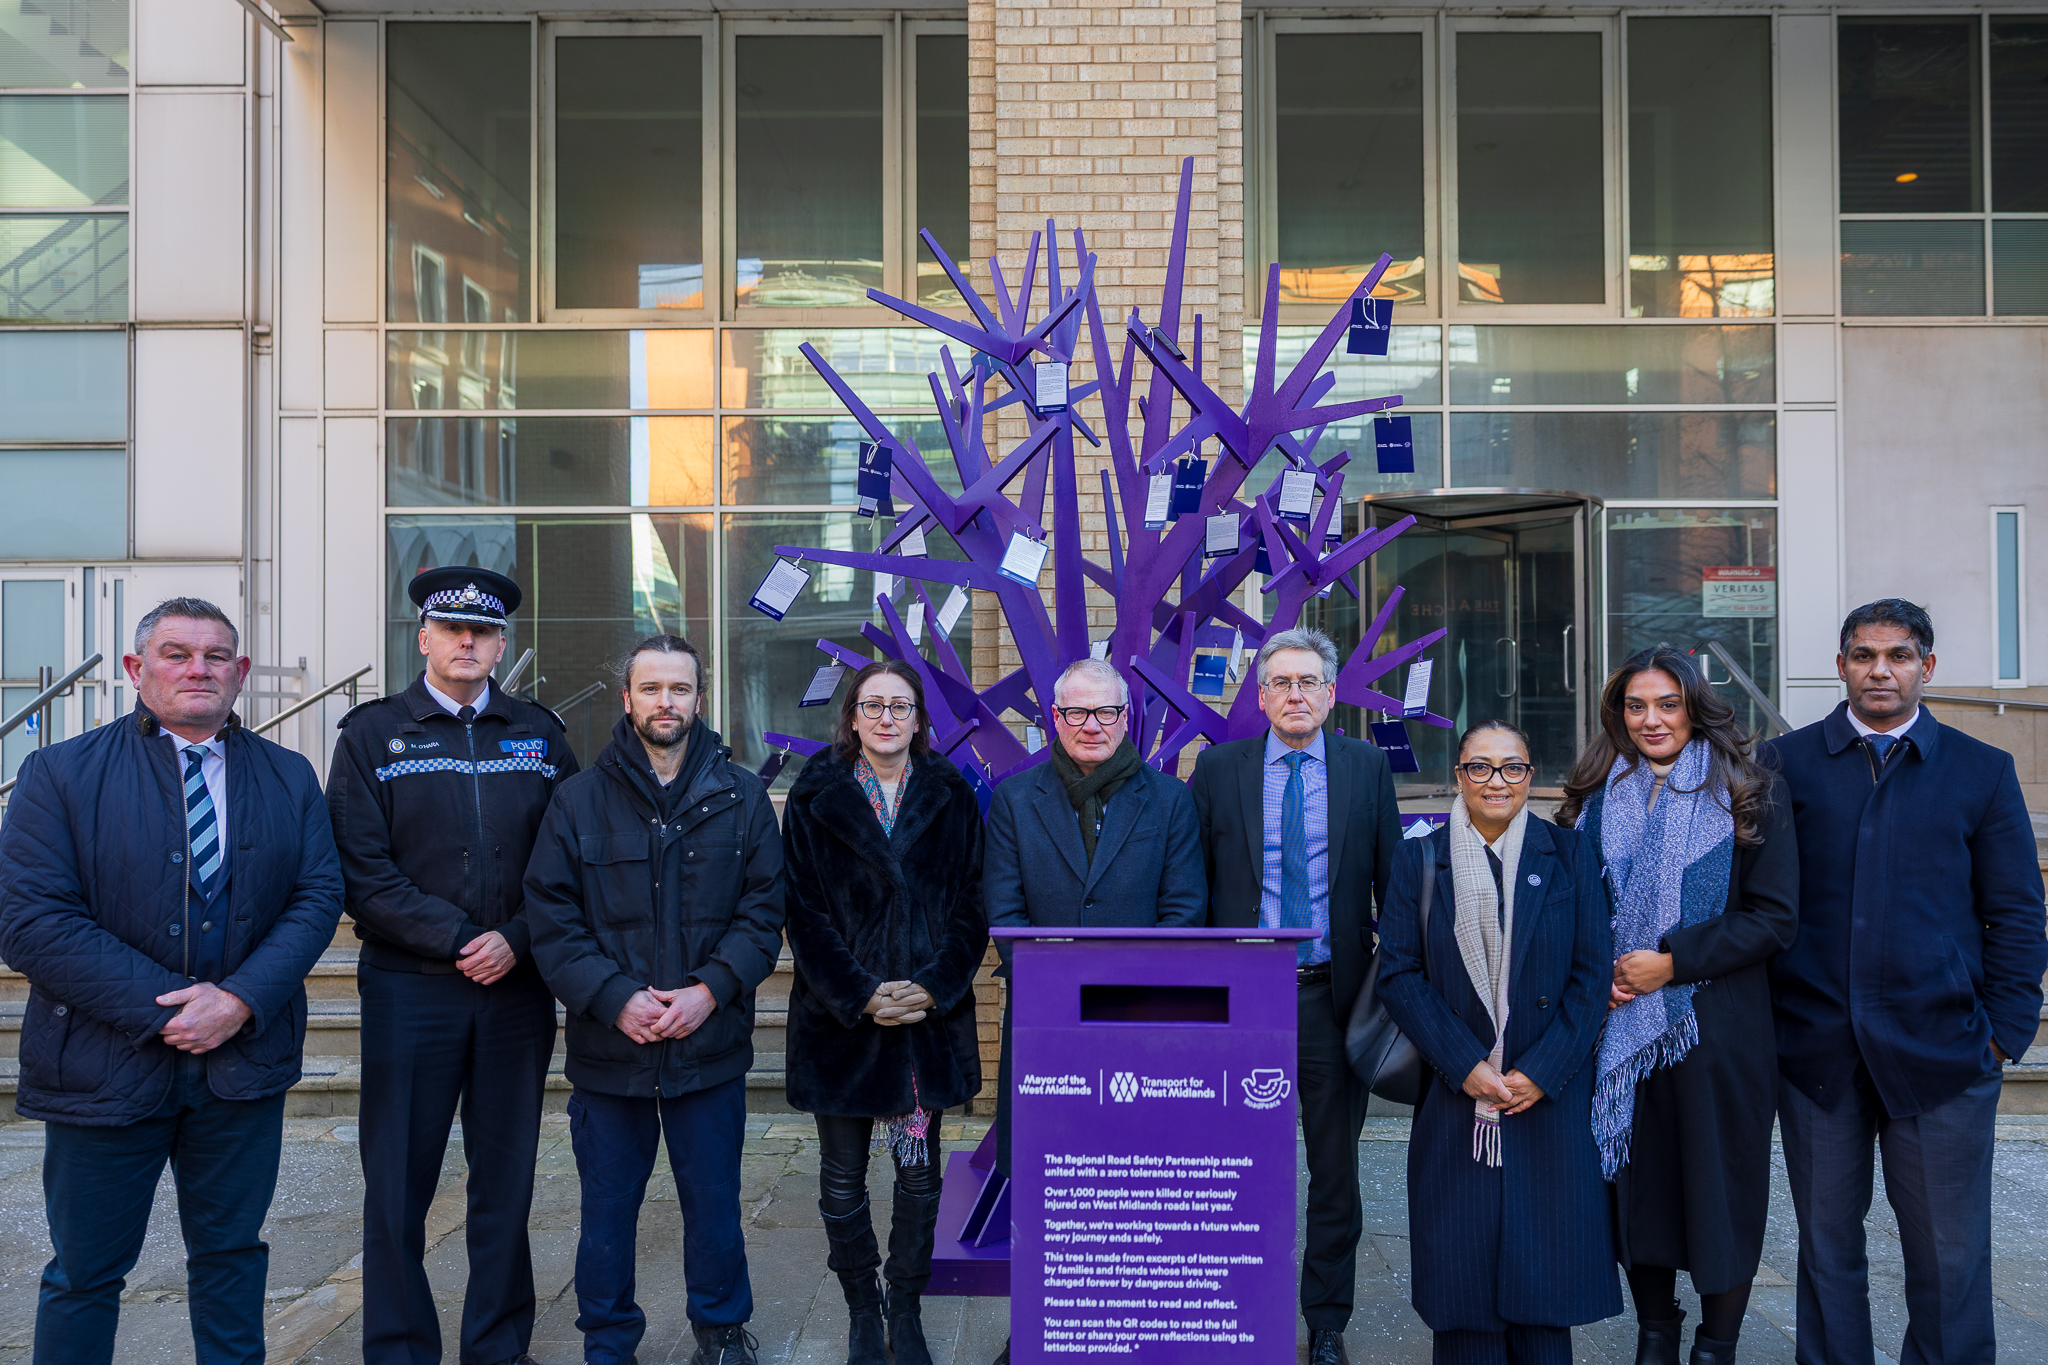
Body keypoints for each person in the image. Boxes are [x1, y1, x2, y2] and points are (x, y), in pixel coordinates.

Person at [0, 597, 344, 1365]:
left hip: (241, 1068)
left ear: (240, 672)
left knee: (231, 1258)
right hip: (102, 1067)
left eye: (216, 655)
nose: (199, 669)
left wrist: (242, 998)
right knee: (86, 1272)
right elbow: (32, 920)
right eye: (177, 653)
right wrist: (167, 1011)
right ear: (135, 668)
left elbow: (318, 896)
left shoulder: (289, 776)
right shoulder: (58, 772)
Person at [1765, 600, 2045, 1365]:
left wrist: (2003, 1033)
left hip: (1945, 1053)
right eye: (1863, 654)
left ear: (1927, 665)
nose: (1879, 668)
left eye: (1897, 654)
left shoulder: (1980, 770)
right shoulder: (1783, 764)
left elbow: (2017, 912)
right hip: (1819, 1053)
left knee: (1951, 1260)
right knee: (1826, 1253)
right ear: (1841, 665)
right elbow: (1758, 902)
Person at [326, 565, 578, 1365]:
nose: (467, 642)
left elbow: (571, 858)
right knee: (398, 1185)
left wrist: (517, 936)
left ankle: (498, 1347)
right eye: (451, 630)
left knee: (505, 1182)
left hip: (517, 990)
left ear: (502, 643)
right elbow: (361, 870)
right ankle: (399, 1348)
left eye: (483, 631)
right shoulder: (372, 735)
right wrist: (462, 937)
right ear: (425, 638)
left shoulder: (540, 735)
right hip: (412, 990)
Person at [524, 633, 786, 1365]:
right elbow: (551, 916)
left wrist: (711, 989)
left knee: (714, 1204)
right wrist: (613, 998)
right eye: (652, 688)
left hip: (709, 1044)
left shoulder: (742, 796)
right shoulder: (575, 801)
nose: (665, 701)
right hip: (613, 1050)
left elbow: (763, 912)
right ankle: (608, 1341)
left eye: (680, 688)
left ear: (701, 699)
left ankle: (722, 1331)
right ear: (627, 698)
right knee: (607, 1210)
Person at [1555, 647, 1798, 1365]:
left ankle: (1716, 1345)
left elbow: (1774, 918)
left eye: (1667, 703)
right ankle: (1655, 1331)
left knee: (1720, 1189)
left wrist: (1673, 962)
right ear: (1618, 714)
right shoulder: (1596, 792)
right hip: (1618, 1028)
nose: (1651, 719)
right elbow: (1572, 905)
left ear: (1694, 705)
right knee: (1638, 1184)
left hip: (1715, 1032)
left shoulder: (1749, 790)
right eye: (1636, 705)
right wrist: (1598, 968)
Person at [982, 656, 1206, 1365]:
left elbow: (1185, 912)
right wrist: (1064, 993)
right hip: (1045, 1035)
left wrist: (1116, 998)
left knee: (1134, 1186)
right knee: (1043, 1188)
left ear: (1127, 717)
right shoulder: (1015, 800)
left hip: (1143, 1033)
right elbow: (1006, 912)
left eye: (1106, 711)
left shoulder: (1169, 801)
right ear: (1055, 718)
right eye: (1076, 712)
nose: (1092, 725)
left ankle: (1133, 1326)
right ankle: (1040, 1327)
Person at [1377, 721, 1621, 1365]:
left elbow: (1592, 975)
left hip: (1547, 1096)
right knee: (1463, 1286)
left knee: (1545, 1287)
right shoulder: (1418, 859)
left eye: (1510, 767)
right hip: (1460, 1097)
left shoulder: (1569, 855)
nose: (1495, 781)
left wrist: (1542, 1071)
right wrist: (1464, 1065)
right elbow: (1399, 974)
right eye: (1479, 767)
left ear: (1531, 776)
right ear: (1458, 776)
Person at [1188, 626, 1400, 1365]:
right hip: (1242, 1001)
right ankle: (1239, 1303)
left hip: (1333, 1002)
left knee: (1334, 1170)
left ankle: (1328, 1318)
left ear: (1332, 693)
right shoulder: (1218, 771)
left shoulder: (1367, 768)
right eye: (1280, 682)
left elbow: (1394, 890)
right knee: (1239, 1162)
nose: (1295, 694)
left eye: (1308, 681)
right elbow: (1193, 888)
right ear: (1261, 694)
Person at [781, 660, 989, 1365]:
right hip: (842, 1018)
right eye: (873, 705)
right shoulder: (815, 793)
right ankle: (861, 1310)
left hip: (926, 1023)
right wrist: (861, 991)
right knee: (842, 1177)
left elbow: (973, 903)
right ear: (852, 716)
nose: (887, 717)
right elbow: (801, 910)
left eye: (901, 705)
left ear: (919, 719)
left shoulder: (953, 794)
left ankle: (905, 1307)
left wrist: (934, 985)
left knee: (919, 1175)